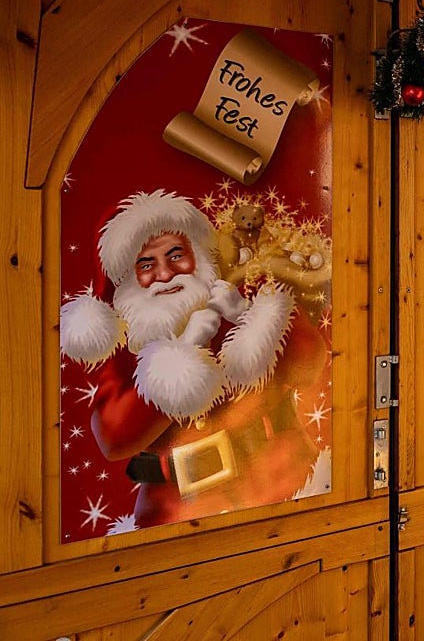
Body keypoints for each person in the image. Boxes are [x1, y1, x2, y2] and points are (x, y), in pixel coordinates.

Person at [59, 189, 328, 528]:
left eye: (176, 255)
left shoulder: (240, 298)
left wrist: (248, 315)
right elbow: (113, 438)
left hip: (286, 483)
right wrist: (186, 349)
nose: (165, 273)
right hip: (178, 514)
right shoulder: (129, 348)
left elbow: (309, 365)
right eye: (146, 265)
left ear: (198, 256)